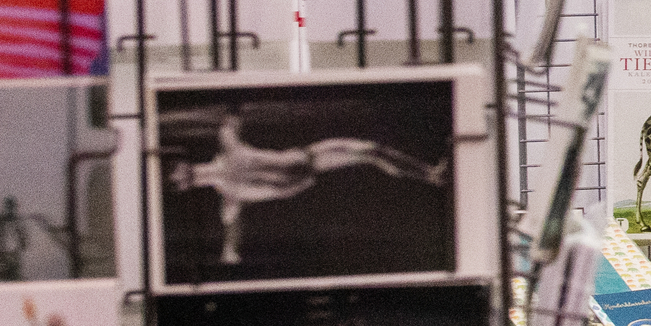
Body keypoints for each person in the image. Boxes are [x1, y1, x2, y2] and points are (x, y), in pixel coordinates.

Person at [166, 113, 447, 271]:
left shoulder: (229, 160)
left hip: (308, 160)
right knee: (370, 153)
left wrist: (229, 120)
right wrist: (229, 251)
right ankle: (431, 174)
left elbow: (229, 123)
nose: (197, 176)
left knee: (370, 152)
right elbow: (230, 231)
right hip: (306, 166)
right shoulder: (229, 191)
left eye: (190, 173)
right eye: (191, 179)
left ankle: (430, 174)